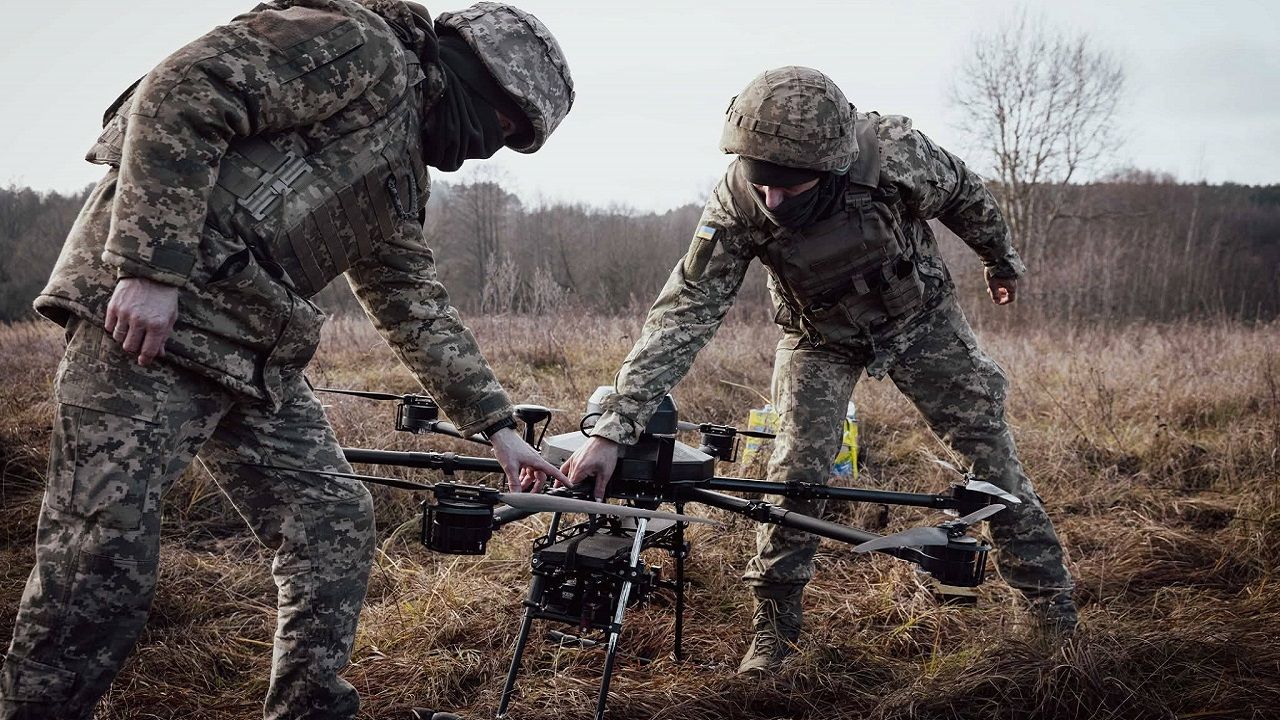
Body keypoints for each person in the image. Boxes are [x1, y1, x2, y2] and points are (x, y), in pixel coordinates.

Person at [0, 1, 574, 718]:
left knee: (330, 517)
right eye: (506, 123)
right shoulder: (360, 47)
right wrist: (151, 268)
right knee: (98, 566)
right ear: (480, 78)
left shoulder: (400, 177)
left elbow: (411, 300)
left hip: (250, 350)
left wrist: (498, 427)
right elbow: (185, 87)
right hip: (150, 327)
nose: (495, 141)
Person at [560, 66, 1077, 674]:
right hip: (818, 338)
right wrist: (613, 428)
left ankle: (1052, 615)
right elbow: (683, 313)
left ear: (831, 167)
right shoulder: (737, 201)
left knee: (991, 461)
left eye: (790, 187)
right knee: (796, 475)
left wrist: (1000, 259)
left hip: (920, 322)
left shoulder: (895, 156)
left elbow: (966, 194)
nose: (772, 201)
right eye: (762, 183)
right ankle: (774, 630)